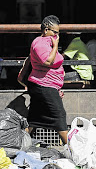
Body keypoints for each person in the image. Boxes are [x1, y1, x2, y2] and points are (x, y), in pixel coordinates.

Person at [26, 15, 68, 144]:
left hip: (46, 85)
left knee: (34, 117)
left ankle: (21, 143)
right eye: (54, 32)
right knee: (59, 115)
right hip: (43, 85)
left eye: (58, 33)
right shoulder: (40, 43)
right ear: (45, 30)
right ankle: (72, 149)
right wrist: (56, 46)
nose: (56, 36)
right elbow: (47, 61)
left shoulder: (48, 43)